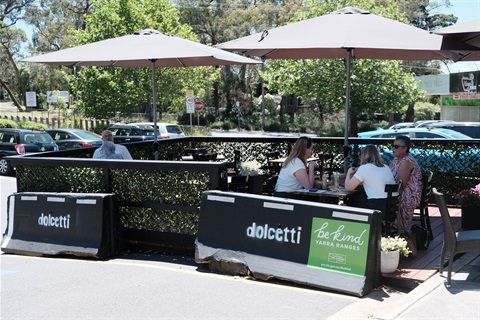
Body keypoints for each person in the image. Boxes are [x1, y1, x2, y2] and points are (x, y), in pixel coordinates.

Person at [344, 144, 396, 215]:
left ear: (363, 155)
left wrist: (349, 173)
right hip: (392, 205)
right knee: (360, 195)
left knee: (351, 199)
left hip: (376, 206)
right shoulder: (386, 167)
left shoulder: (364, 168)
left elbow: (348, 187)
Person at [389, 135, 422, 231]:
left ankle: (394, 227)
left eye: (396, 146)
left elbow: (400, 186)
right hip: (400, 191)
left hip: (408, 195)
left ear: (404, 149)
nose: (392, 148)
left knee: (380, 199)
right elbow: (387, 173)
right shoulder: (396, 159)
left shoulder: (406, 162)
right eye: (393, 145)